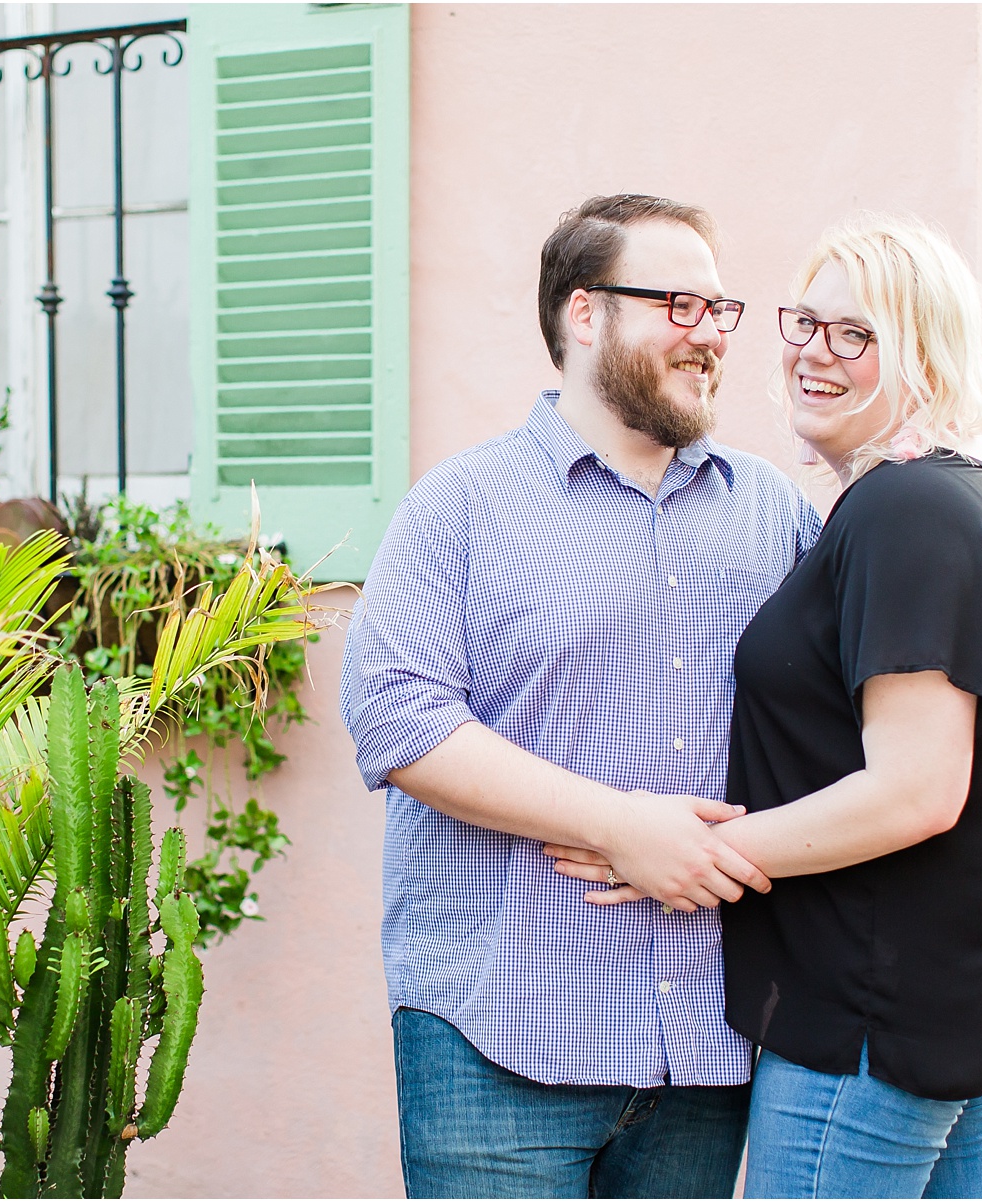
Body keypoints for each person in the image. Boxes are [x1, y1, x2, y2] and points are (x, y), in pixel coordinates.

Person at [551, 215, 982, 1198]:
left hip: (868, 1020)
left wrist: (698, 856)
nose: (813, 355)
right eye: (804, 323)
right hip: (948, 1008)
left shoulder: (907, 510)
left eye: (856, 335)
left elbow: (917, 788)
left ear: (926, 352)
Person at [340, 194, 823, 1197]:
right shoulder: (461, 504)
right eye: (678, 304)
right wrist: (617, 823)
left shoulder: (771, 509)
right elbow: (398, 713)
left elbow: (864, 687)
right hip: (498, 1039)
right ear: (584, 312)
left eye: (720, 309)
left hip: (705, 1045)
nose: (709, 335)